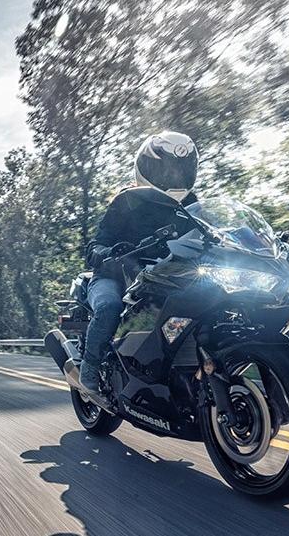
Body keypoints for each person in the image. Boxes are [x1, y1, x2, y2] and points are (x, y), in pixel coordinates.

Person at [79, 131, 200, 394]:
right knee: (110, 307)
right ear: (147, 166)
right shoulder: (127, 200)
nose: (174, 176)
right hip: (114, 275)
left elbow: (206, 234)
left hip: (164, 274)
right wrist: (106, 251)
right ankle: (88, 369)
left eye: (180, 169)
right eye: (166, 169)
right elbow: (96, 245)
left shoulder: (190, 204)